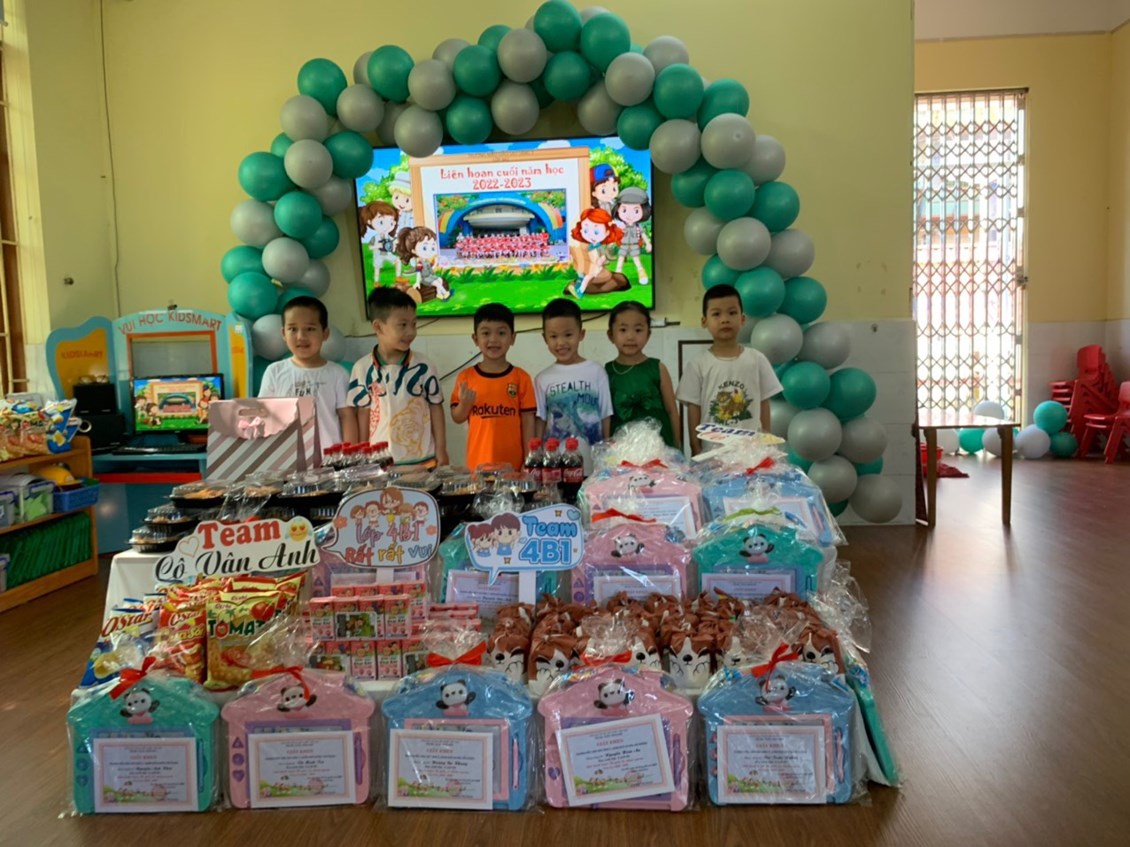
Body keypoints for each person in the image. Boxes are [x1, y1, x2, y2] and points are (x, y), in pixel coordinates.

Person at [677, 284, 783, 455]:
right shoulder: (697, 364)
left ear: (742, 319)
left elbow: (764, 403)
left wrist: (766, 442)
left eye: (732, 313)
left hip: (751, 452)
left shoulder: (757, 359)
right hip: (712, 453)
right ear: (704, 321)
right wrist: (695, 447)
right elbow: (693, 408)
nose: (725, 319)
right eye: (716, 314)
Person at [347, 287, 448, 467]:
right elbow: (363, 412)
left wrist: (441, 448)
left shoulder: (424, 366)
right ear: (378, 327)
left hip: (422, 460)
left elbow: (436, 406)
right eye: (402, 325)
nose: (411, 332)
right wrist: (362, 452)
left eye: (414, 324)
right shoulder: (362, 368)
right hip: (379, 461)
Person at [259, 296, 357, 445]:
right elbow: (264, 414)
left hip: (329, 456)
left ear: (325, 333)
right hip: (288, 455)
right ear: (283, 334)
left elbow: (347, 416)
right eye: (293, 329)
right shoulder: (274, 372)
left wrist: (349, 454)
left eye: (310, 329)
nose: (301, 337)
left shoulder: (337, 373)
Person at [450, 303, 536, 471]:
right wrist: (465, 404)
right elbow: (457, 417)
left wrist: (529, 461)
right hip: (477, 468)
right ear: (475, 339)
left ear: (513, 338)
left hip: (513, 468)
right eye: (486, 333)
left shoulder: (521, 378)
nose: (494, 340)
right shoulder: (466, 377)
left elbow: (528, 422)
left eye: (501, 333)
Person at [535, 298, 612, 473]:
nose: (561, 342)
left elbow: (606, 414)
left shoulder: (596, 371)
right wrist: (538, 458)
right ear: (545, 338)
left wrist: (607, 455)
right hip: (555, 468)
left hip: (592, 466)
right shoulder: (542, 379)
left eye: (568, 335)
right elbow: (541, 421)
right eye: (553, 336)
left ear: (581, 334)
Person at [605, 301, 680, 449]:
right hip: (622, 452)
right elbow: (606, 418)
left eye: (638, 330)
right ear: (611, 335)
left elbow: (672, 411)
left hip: (660, 449)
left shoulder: (658, 368)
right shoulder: (607, 372)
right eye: (623, 330)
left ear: (648, 335)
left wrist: (677, 447)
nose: (630, 337)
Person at [567, 208, 630, 298]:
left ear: (607, 232)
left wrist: (600, 260)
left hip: (597, 268)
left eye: (596, 232)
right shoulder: (589, 246)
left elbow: (604, 257)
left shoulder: (601, 247)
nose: (590, 235)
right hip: (590, 266)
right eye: (586, 231)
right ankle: (579, 282)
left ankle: (580, 291)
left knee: (588, 277)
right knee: (581, 273)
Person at [611, 187, 653, 286]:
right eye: (624, 210)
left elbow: (643, 234)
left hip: (634, 245)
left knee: (636, 259)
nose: (629, 215)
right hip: (624, 245)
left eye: (636, 211)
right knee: (620, 259)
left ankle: (642, 274)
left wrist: (648, 243)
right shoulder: (621, 225)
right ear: (618, 209)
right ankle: (617, 276)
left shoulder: (637, 226)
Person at [357, 200, 401, 279]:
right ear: (369, 222)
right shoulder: (375, 237)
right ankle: (376, 282)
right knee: (377, 268)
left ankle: (398, 277)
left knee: (397, 261)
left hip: (387, 254)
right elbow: (370, 247)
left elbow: (392, 243)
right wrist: (378, 245)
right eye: (381, 222)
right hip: (378, 255)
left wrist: (395, 244)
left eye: (391, 223)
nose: (387, 226)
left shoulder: (388, 236)